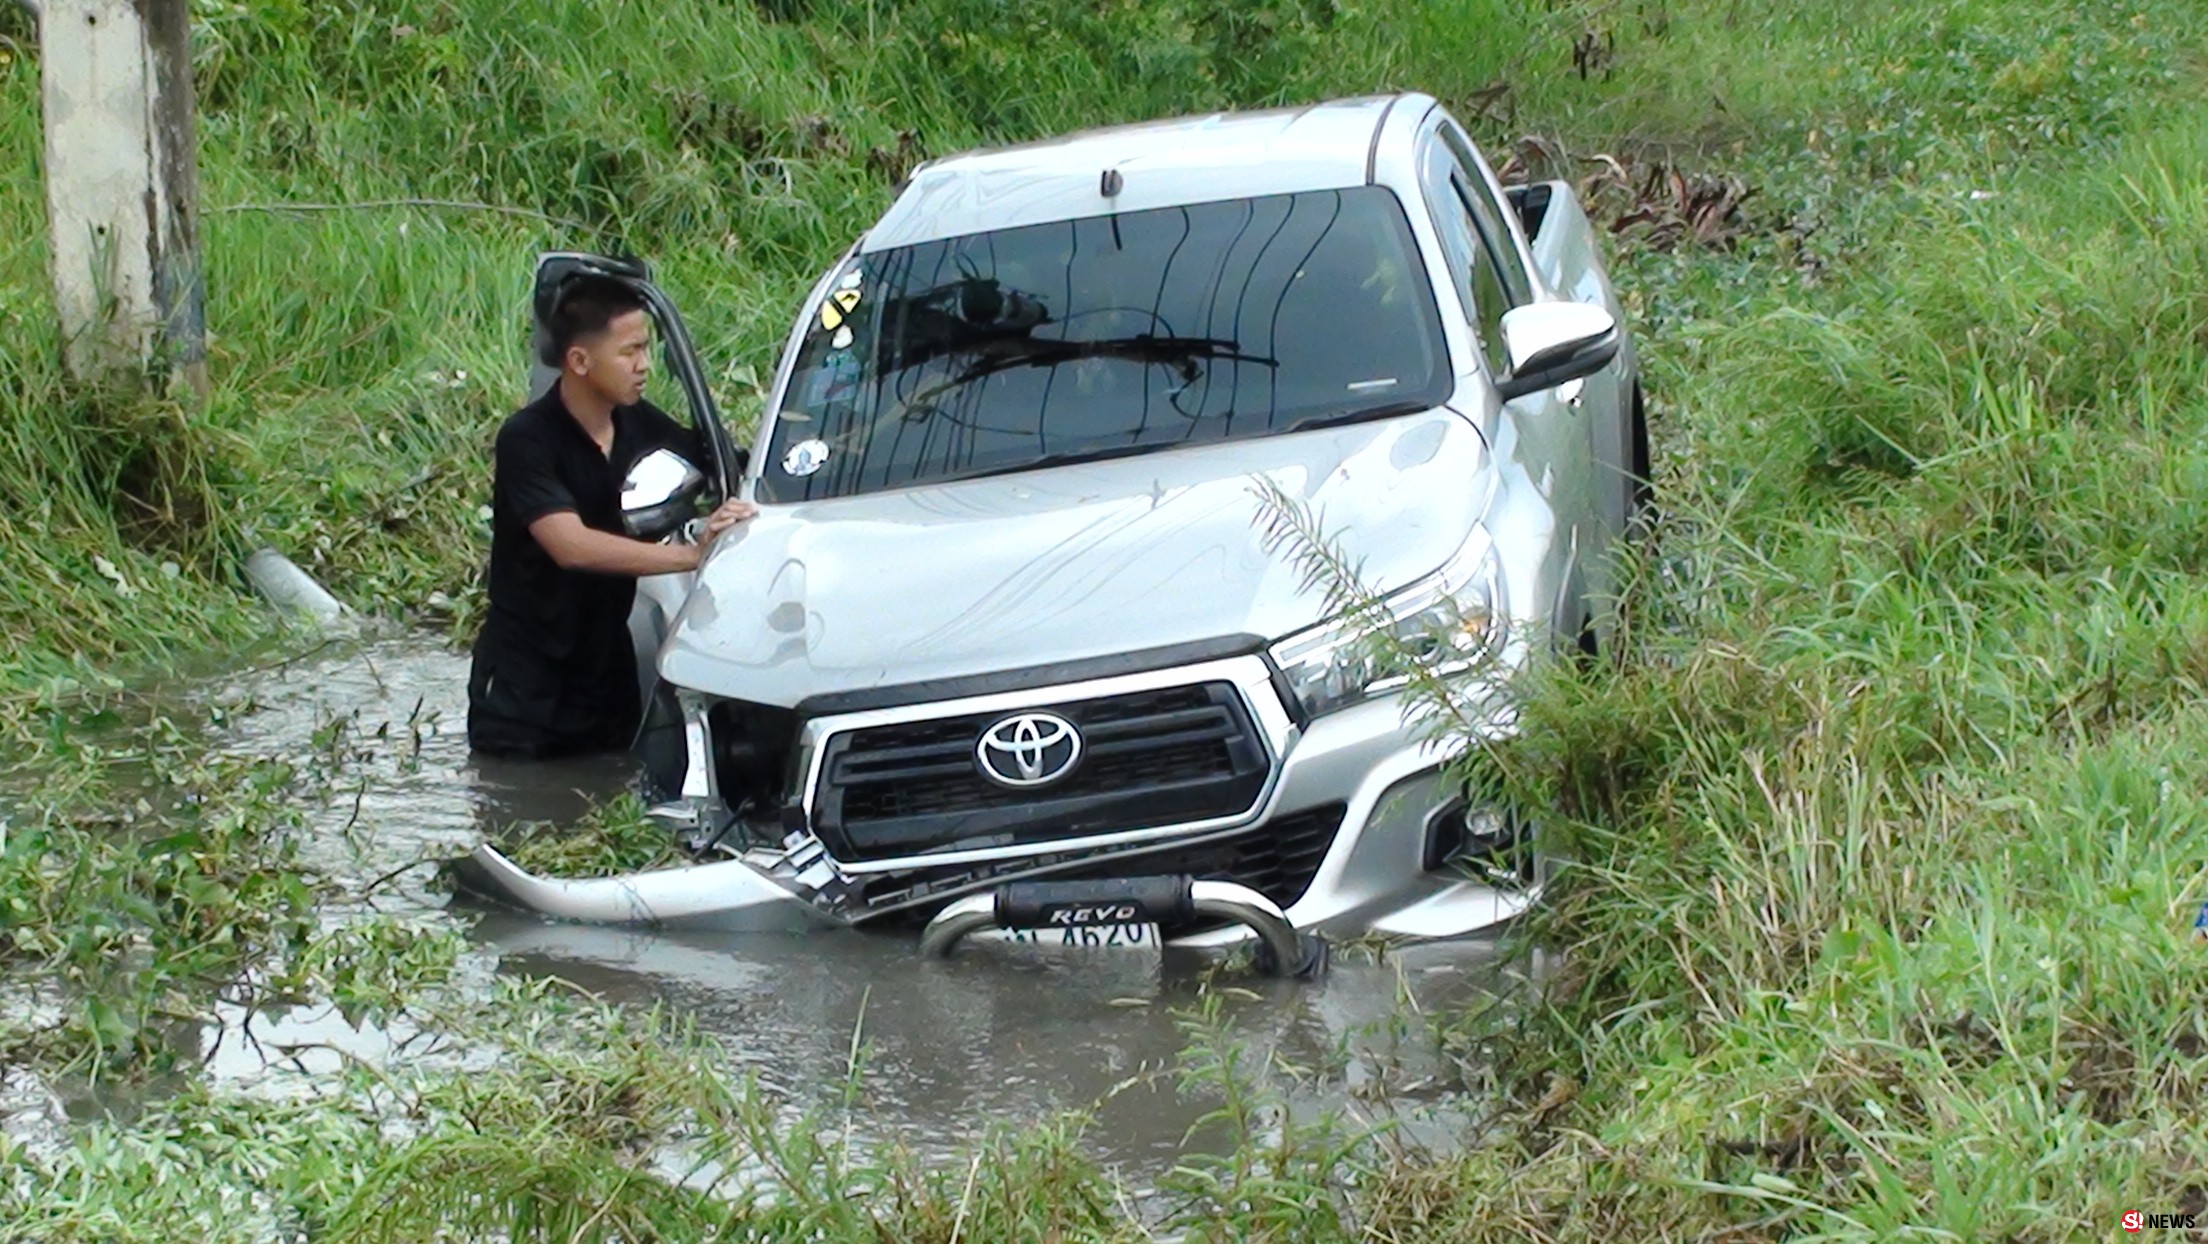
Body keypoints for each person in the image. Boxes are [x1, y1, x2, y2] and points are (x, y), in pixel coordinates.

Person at [467, 276, 753, 759]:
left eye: (647, 349)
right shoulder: (527, 439)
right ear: (579, 361)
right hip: (525, 695)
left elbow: (717, 465)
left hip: (607, 684)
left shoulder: (638, 422)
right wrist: (693, 555)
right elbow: (570, 545)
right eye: (630, 352)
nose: (644, 366)